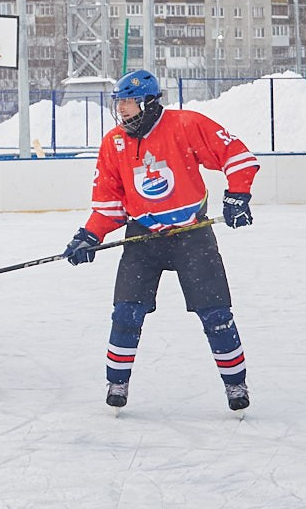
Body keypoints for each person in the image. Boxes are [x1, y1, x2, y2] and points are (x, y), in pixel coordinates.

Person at [63, 70, 260, 412]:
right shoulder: (114, 143)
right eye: (118, 102)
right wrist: (89, 235)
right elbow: (109, 205)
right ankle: (117, 382)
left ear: (149, 103)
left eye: (128, 101)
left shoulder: (186, 124)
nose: (121, 110)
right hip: (143, 239)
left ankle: (236, 384)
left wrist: (238, 196)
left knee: (216, 315)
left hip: (191, 236)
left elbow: (237, 155)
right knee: (126, 313)